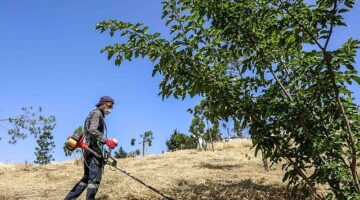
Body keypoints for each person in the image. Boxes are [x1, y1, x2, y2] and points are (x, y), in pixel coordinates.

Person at [65, 96, 118, 200]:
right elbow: (92, 130)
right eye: (109, 106)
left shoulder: (95, 114)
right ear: (102, 104)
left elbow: (90, 131)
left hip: (90, 151)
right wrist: (106, 140)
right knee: (94, 181)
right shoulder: (97, 113)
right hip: (93, 153)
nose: (110, 109)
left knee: (86, 180)